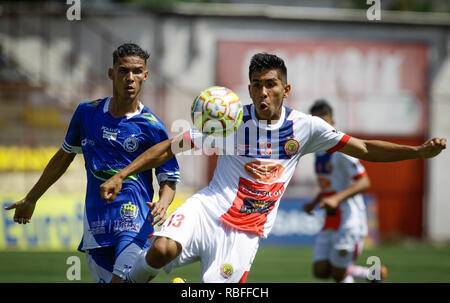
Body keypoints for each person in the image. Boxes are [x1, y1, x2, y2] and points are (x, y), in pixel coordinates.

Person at [100, 52, 446, 283]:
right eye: (256, 85)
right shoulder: (230, 120)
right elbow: (168, 148)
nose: (262, 92)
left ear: (285, 89)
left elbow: (366, 148)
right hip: (208, 209)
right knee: (160, 249)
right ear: (248, 88)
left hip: (247, 230)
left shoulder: (306, 128)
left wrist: (416, 152)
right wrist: (121, 174)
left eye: (270, 85)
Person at [4, 43, 180, 283]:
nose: (130, 78)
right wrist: (32, 197)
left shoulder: (152, 127)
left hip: (136, 223)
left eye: (137, 71)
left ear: (146, 76)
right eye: (123, 70)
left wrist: (164, 202)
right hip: (96, 227)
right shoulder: (87, 113)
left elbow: (168, 177)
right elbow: (63, 157)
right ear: (111, 73)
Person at [303, 99, 386, 283]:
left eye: (325, 123)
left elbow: (364, 182)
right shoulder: (318, 150)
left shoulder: (342, 149)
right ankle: (371, 274)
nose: (322, 128)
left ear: (333, 123)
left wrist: (337, 199)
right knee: (321, 270)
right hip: (331, 219)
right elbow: (330, 185)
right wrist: (314, 202)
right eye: (317, 123)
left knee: (339, 274)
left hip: (349, 220)